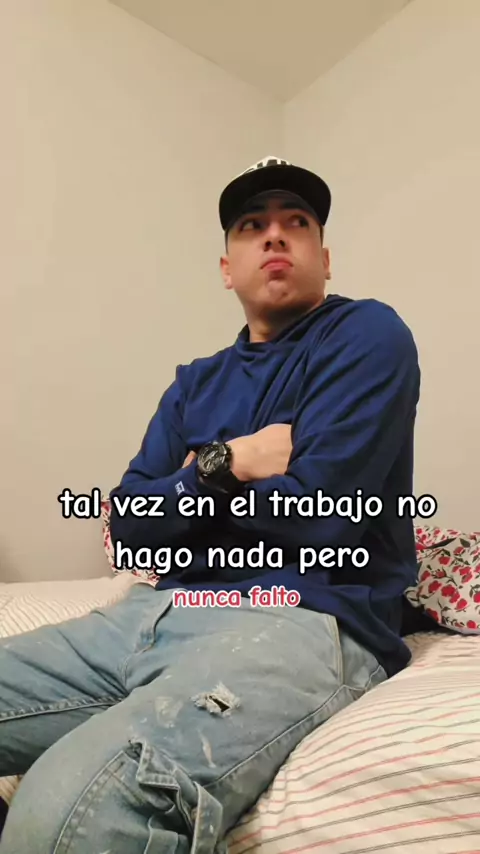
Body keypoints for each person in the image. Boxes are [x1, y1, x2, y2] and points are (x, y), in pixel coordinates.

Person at [0, 156, 420, 852]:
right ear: (228, 268)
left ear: (324, 258)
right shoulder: (193, 383)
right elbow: (128, 530)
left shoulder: (366, 336)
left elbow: (322, 520)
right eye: (252, 226)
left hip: (297, 618)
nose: (275, 235)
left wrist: (186, 489)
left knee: (65, 809)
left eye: (297, 222)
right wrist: (230, 466)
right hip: (150, 611)